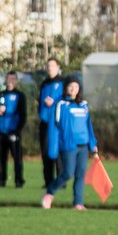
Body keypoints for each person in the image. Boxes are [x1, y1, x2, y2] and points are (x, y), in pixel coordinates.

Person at [41, 79, 98, 210]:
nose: (73, 89)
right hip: (68, 145)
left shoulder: (84, 105)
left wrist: (92, 143)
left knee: (80, 174)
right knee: (67, 173)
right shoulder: (61, 104)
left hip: (83, 145)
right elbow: (55, 125)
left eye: (76, 86)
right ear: (66, 88)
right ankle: (50, 192)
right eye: (70, 86)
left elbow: (88, 125)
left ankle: (78, 203)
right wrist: (53, 146)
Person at [0, 71, 27, 188]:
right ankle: (1, 180)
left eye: (13, 79)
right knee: (0, 158)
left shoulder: (20, 96)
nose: (10, 81)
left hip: (13, 132)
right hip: (1, 131)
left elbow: (23, 115)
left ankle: (18, 181)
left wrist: (17, 130)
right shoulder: (1, 95)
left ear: (16, 81)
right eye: (9, 79)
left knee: (17, 158)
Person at [37, 57, 64, 188]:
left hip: (58, 123)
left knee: (58, 151)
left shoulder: (63, 83)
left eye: (52, 66)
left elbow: (65, 101)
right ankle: (48, 181)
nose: (49, 68)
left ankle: (61, 180)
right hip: (45, 123)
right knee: (45, 152)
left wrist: (54, 103)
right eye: (48, 66)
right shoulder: (44, 84)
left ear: (58, 67)